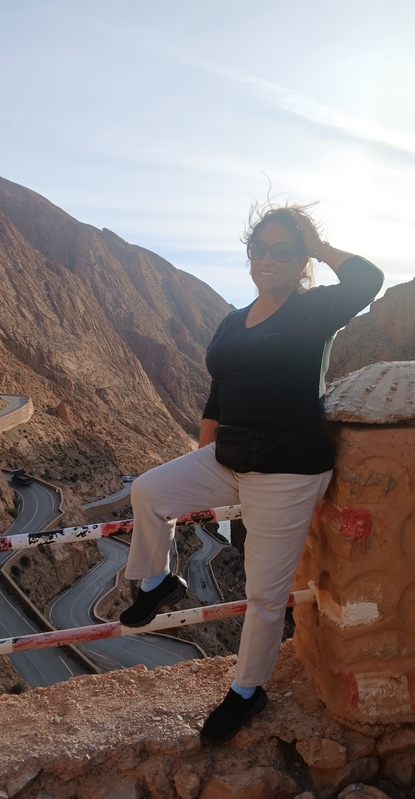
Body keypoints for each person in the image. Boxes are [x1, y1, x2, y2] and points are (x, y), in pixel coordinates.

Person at [120, 203, 384, 743]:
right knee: (149, 491)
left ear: (301, 259)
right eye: (258, 248)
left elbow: (368, 280)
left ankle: (247, 690)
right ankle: (156, 580)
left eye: (282, 251)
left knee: (264, 593)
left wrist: (316, 244)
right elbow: (217, 395)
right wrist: (203, 457)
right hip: (228, 457)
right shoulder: (232, 320)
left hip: (287, 469)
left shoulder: (314, 310)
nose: (267, 259)